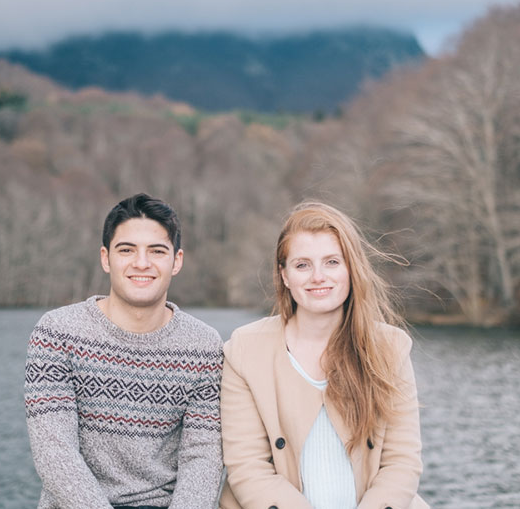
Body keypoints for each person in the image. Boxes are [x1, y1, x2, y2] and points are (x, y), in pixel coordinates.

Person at [219, 201, 429, 509]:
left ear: (351, 269)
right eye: (302, 265)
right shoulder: (245, 350)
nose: (318, 276)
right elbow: (248, 467)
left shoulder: (390, 347)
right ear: (285, 276)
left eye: (332, 262)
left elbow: (401, 463)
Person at [25, 193, 224, 509]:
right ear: (106, 258)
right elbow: (55, 453)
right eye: (126, 250)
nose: (141, 263)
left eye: (157, 251)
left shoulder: (204, 346)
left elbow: (203, 457)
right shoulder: (58, 332)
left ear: (177, 261)